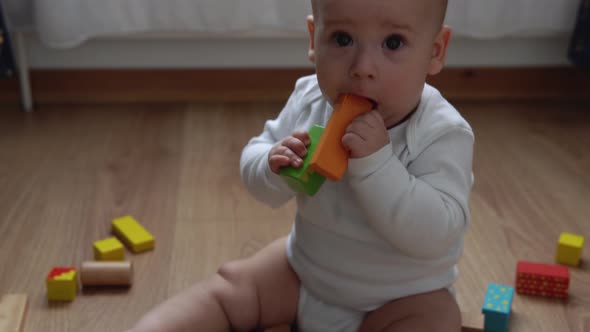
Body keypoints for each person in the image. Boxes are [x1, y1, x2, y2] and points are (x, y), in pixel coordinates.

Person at [128, 0, 473, 331]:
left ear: (435, 51)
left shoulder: (440, 132)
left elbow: (439, 233)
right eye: (342, 39)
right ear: (313, 39)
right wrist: (271, 165)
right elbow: (255, 155)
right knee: (232, 286)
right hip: (305, 273)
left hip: (402, 299)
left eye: (393, 43)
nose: (363, 67)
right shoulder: (310, 99)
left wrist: (377, 165)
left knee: (438, 319)